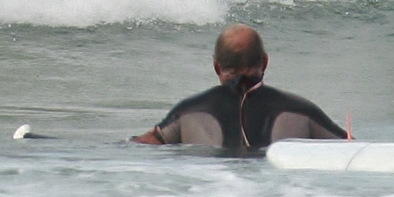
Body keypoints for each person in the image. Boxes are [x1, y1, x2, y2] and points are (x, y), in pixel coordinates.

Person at [131, 25, 348, 152]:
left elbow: (143, 145)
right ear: (264, 62)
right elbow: (351, 149)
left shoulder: (187, 112)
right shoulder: (301, 110)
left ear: (217, 67)